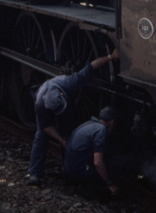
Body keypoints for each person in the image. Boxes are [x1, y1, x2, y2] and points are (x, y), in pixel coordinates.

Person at [27, 49, 120, 186]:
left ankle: (68, 171)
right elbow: (47, 127)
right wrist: (61, 140)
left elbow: (90, 67)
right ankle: (34, 172)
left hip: (65, 105)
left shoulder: (70, 83)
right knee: (41, 137)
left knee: (68, 134)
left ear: (62, 95)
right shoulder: (40, 105)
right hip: (44, 108)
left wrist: (110, 57)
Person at [63, 106, 130, 201]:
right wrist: (110, 183)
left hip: (69, 168)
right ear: (112, 122)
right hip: (78, 172)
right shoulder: (100, 130)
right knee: (118, 161)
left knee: (111, 153)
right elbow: (97, 163)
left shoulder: (89, 124)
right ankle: (92, 189)